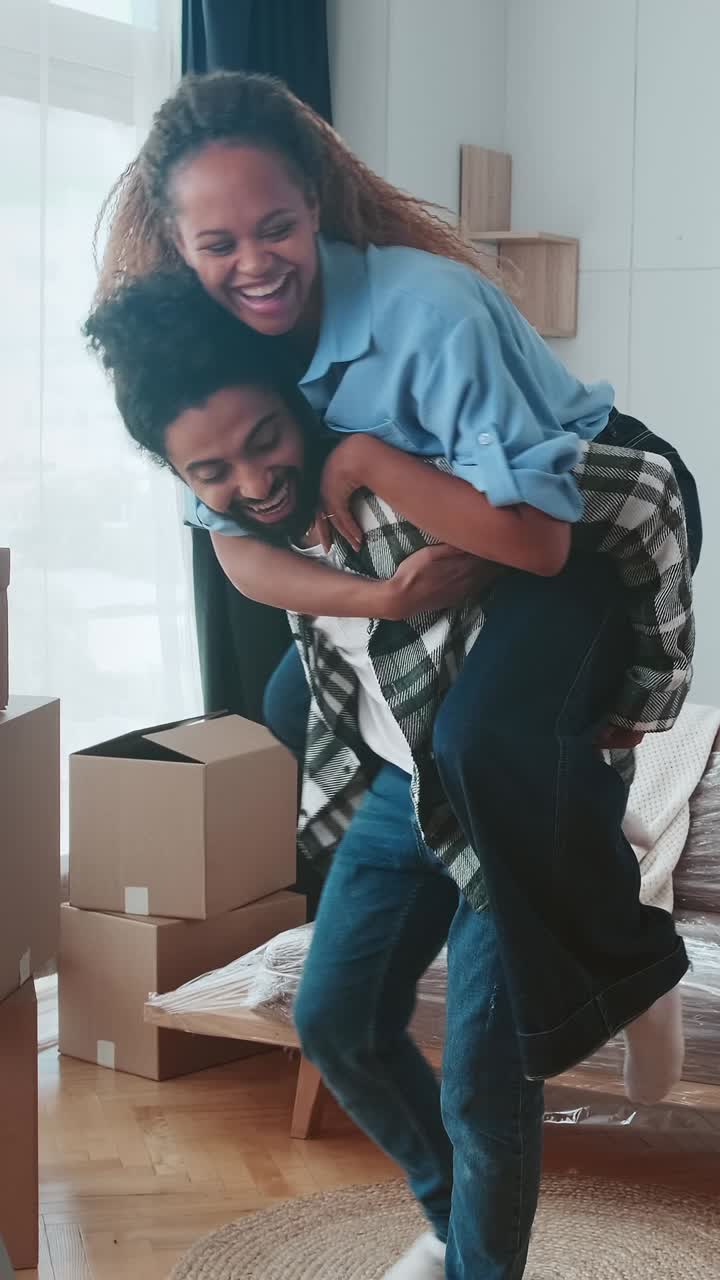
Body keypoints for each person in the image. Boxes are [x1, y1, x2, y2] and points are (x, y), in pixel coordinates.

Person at [94, 72, 702, 1095]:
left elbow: (539, 544)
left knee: (480, 739)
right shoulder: (215, 342)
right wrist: (383, 601)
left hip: (581, 515)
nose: (254, 264)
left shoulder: (432, 313)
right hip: (444, 539)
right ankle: (544, 819)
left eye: (275, 228)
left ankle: (634, 966)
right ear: (182, 245)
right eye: (219, 244)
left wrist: (368, 457)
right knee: (291, 702)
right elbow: (235, 548)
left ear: (314, 203)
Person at [84, 268, 692, 1280]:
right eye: (212, 471)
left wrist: (650, 692)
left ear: (297, 402)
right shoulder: (237, 526)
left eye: (264, 440)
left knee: (483, 1089)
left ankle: (616, 933)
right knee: (335, 1021)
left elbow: (645, 496)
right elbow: (241, 552)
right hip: (402, 793)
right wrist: (389, 599)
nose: (252, 481)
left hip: (500, 804)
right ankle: (455, 1224)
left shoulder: (407, 456)